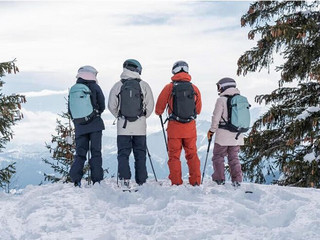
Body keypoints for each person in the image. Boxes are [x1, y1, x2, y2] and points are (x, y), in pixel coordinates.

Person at [108, 59, 154, 188]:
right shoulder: (143, 85)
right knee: (140, 154)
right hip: (140, 127)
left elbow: (111, 105)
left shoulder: (118, 85)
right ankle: (141, 181)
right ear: (138, 70)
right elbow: (150, 106)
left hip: (123, 127)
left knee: (123, 154)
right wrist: (143, 117)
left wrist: (119, 115)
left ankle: (125, 180)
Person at [155, 60, 202, 186]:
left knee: (174, 156)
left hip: (174, 127)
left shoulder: (169, 87)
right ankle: (196, 181)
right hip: (190, 128)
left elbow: (158, 109)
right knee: (192, 155)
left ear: (174, 71)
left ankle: (176, 182)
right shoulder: (194, 88)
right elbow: (198, 109)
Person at [69, 65, 105, 187]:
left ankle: (75, 179)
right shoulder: (95, 87)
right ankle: (97, 180)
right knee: (96, 152)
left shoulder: (74, 89)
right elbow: (102, 105)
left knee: (80, 153)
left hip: (79, 126)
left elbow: (70, 110)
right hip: (95, 125)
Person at [207, 77, 243, 187]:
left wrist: (211, 131)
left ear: (224, 87)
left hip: (223, 134)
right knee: (234, 158)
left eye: (219, 87)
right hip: (237, 135)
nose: (218, 90)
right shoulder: (241, 99)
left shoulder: (221, 100)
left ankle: (219, 180)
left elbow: (216, 117)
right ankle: (237, 180)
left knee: (218, 156)